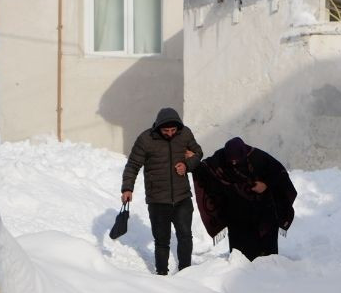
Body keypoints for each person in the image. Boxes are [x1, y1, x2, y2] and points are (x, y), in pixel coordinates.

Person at [120, 107, 202, 275]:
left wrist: (187, 164)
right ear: (158, 127)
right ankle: (162, 275)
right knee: (162, 241)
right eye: (166, 130)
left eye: (173, 130)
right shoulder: (146, 139)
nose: (170, 133)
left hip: (182, 197)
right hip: (157, 199)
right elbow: (133, 165)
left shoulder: (185, 134)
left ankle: (186, 273)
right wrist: (127, 188)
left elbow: (198, 153)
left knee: (185, 236)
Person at [193, 136, 297, 259]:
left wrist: (265, 185)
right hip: (236, 213)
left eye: (236, 160)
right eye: (231, 160)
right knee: (241, 256)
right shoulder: (220, 158)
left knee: (266, 255)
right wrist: (193, 161)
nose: (233, 163)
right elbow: (205, 170)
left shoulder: (258, 157)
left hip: (263, 210)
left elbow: (279, 174)